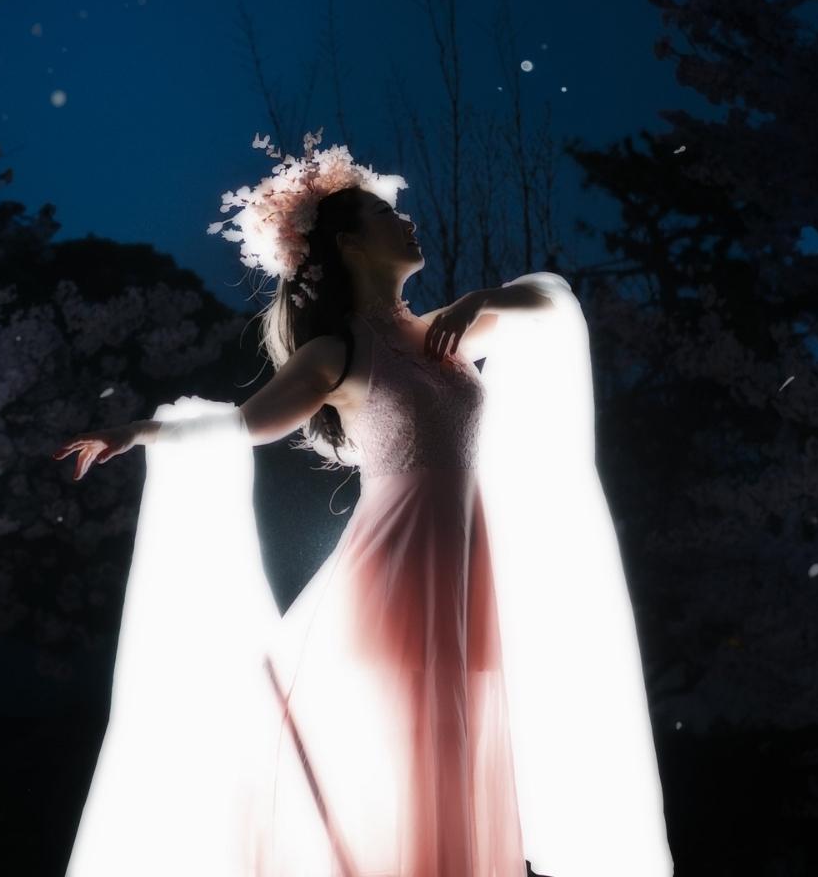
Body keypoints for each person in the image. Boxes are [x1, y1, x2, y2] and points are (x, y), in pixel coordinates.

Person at [54, 132, 675, 877]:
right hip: (395, 571)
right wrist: (139, 432)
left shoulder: (445, 332)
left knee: (457, 755)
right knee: (406, 762)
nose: (406, 221)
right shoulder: (338, 352)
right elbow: (247, 424)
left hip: (466, 569)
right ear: (349, 244)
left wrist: (486, 297)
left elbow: (552, 302)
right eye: (385, 216)